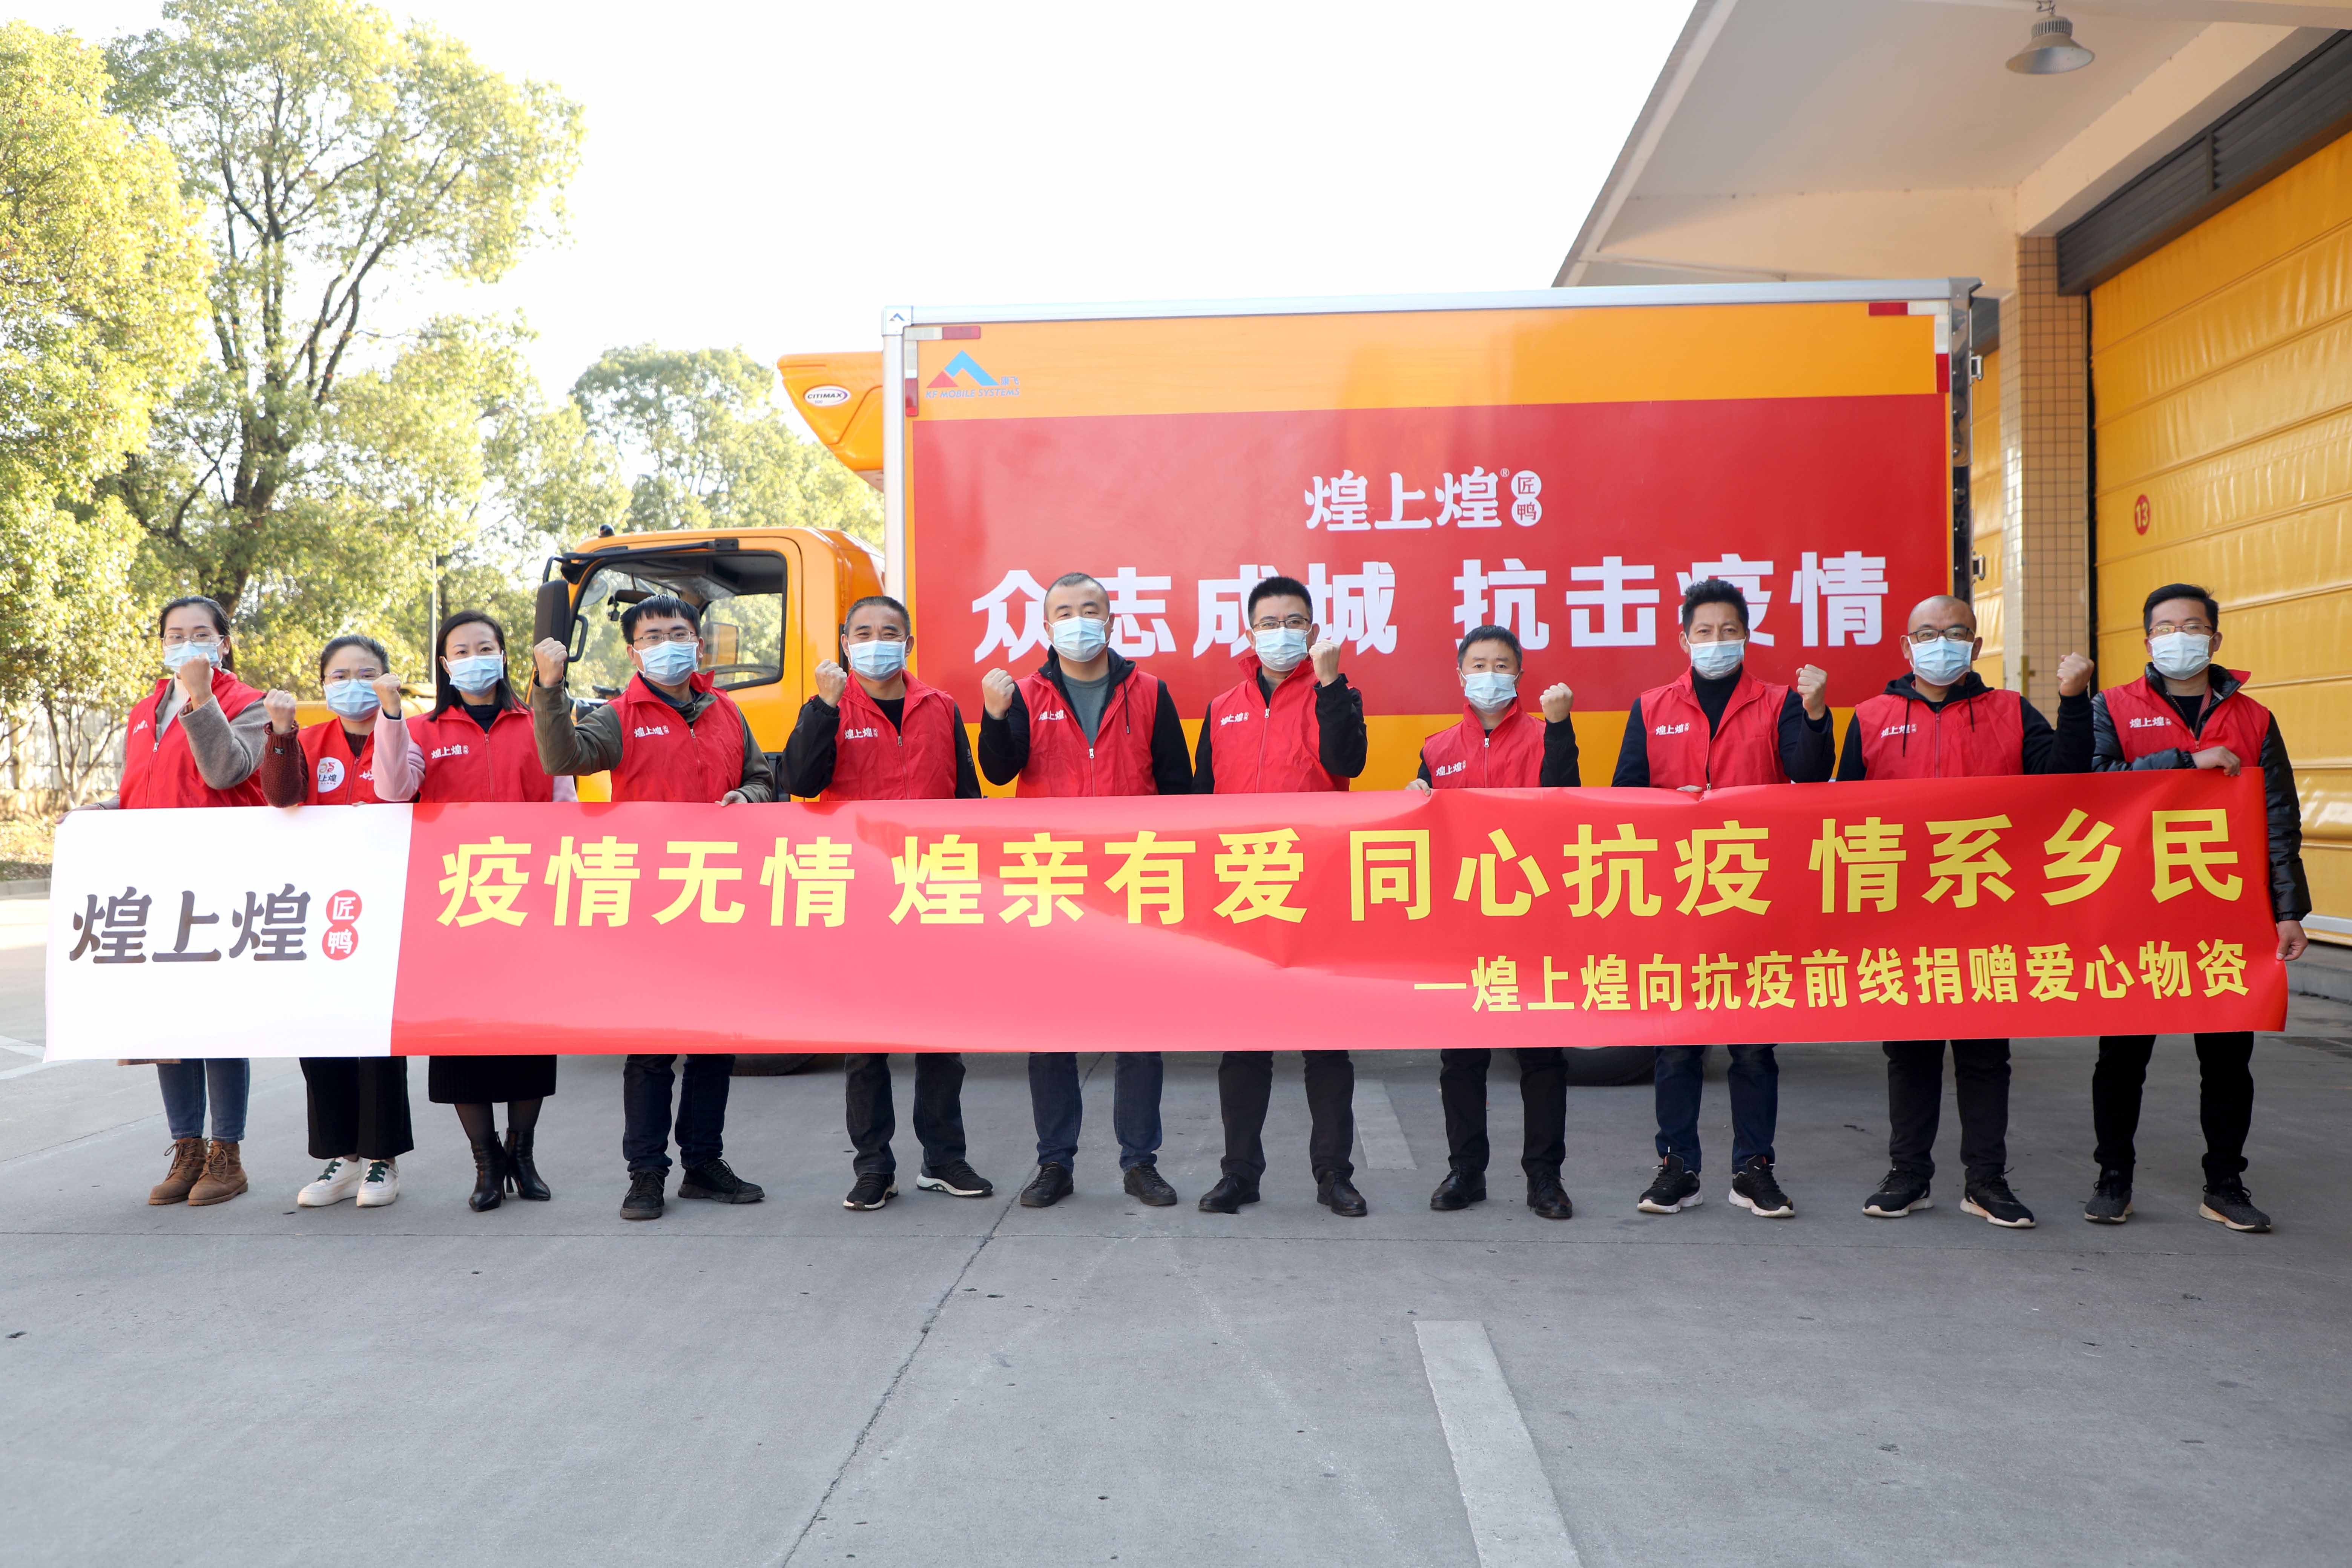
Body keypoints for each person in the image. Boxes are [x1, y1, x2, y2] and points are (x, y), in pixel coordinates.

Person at [1838, 595, 2095, 1229]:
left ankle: (1985, 1180)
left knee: (1983, 1055)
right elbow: (1835, 816)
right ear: (1905, 647)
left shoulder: (2010, 712)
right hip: (1901, 916)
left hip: (1987, 913)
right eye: (1927, 634)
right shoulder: (1870, 718)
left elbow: (2064, 781)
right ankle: (1908, 1173)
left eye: (1955, 632)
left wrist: (2072, 703)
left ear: (1976, 646)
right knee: (1910, 1053)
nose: (1941, 643)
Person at [532, 594, 773, 1221]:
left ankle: (703, 1163)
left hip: (719, 897)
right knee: (651, 1048)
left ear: (699, 643)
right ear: (634, 652)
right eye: (654, 636)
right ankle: (645, 1173)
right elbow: (562, 758)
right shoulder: (617, 717)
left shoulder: (727, 711)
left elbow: (762, 778)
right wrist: (549, 689)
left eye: (680, 633)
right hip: (651, 904)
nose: (670, 644)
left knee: (715, 1043)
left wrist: (748, 797)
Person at [2084, 583, 2311, 1233]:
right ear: (2146, 639)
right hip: (2135, 908)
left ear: (2215, 638)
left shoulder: (2254, 717)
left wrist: (2288, 908)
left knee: (2227, 1057)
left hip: (2224, 910)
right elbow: (2091, 785)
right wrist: (2186, 760)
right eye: (2164, 627)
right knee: (2122, 1055)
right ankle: (2112, 1176)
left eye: (2191, 625)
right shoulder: (2113, 705)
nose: (2177, 636)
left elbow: (2277, 816)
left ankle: (2224, 1182)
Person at [1614, 577, 1832, 1220]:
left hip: (1751, 897)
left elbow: (1809, 775)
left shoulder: (1778, 702)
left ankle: (1752, 1168)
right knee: (1676, 1044)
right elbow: (1625, 794)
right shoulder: (1651, 707)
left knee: (1753, 1045)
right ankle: (1677, 1168)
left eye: (1728, 631)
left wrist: (1815, 713)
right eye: (1704, 631)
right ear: (1683, 639)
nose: (1716, 641)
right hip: (1678, 899)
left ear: (1746, 636)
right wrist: (1668, 810)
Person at [977, 572, 1194, 1210]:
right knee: (1051, 1034)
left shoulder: (1149, 692)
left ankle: (1140, 1163)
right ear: (1047, 627)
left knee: (1139, 1035)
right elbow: (998, 771)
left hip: (1134, 879)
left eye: (1090, 609)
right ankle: (1054, 1163)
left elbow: (1179, 791)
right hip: (1052, 883)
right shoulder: (1022, 694)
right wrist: (994, 716)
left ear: (1111, 619)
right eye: (1066, 611)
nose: (1079, 621)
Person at [779, 594, 994, 1211]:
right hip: (862, 893)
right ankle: (874, 1165)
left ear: (909, 643)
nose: (878, 642)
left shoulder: (940, 706)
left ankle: (943, 1159)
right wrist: (824, 708)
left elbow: (967, 798)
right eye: (864, 632)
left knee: (940, 1038)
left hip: (933, 890)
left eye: (890, 631)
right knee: (866, 1045)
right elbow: (800, 782)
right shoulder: (828, 706)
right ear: (846, 644)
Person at [373, 611, 569, 1211]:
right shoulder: (422, 729)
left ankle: (522, 1154)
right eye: (460, 650)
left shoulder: (535, 721)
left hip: (526, 903)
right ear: (444, 664)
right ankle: (486, 1164)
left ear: (504, 655)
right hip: (454, 904)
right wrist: (390, 716)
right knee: (464, 1045)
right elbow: (392, 789)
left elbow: (563, 801)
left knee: (528, 1038)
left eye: (485, 647)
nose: (474, 658)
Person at [1192, 575, 1370, 1217]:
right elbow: (1198, 802)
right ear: (1249, 632)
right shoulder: (1222, 707)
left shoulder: (1337, 694)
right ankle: (1239, 1173)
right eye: (1268, 623)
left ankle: (1334, 1176)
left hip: (1316, 891)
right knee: (1244, 1046)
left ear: (1314, 631)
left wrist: (1329, 684)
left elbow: (1348, 762)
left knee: (1325, 1045)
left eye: (1294, 622)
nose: (1281, 634)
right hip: (1245, 892)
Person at [91, 596, 269, 1208]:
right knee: (167, 1023)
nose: (186, 644)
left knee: (217, 1022)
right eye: (175, 634)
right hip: (155, 886)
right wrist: (101, 810)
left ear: (224, 643)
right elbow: (143, 792)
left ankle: (227, 1154)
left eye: (200, 634)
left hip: (219, 884)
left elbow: (225, 772)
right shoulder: (145, 710)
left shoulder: (248, 704)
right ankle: (187, 1147)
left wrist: (201, 697)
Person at [1406, 626, 1582, 1221]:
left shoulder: (1544, 734)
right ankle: (1466, 1170)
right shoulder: (1437, 747)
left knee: (1541, 1058)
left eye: (1501, 664)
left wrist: (1560, 729)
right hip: (1462, 924)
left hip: (1533, 920)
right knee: (1461, 1059)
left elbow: (1567, 803)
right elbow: (1424, 832)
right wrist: (1414, 798)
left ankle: (1545, 1177)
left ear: (1519, 675)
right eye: (1478, 664)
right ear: (1460, 675)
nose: (1489, 674)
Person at [259, 634, 416, 1210]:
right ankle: (342, 1156)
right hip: (318, 905)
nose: (354, 685)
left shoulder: (407, 731)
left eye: (367, 673)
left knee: (376, 1035)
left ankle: (381, 1158)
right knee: (321, 1028)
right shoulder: (309, 738)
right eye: (340, 675)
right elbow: (282, 797)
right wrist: (281, 733)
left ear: (388, 678)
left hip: (384, 903)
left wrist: (392, 718)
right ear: (323, 684)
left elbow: (399, 791)